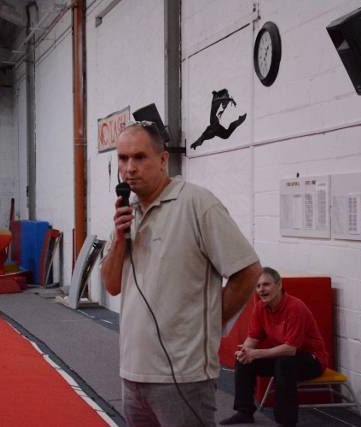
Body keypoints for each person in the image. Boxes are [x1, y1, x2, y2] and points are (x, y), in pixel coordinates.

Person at [101, 121, 262, 427]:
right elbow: (111, 285)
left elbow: (248, 269)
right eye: (123, 158)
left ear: (163, 159)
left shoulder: (197, 203)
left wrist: (210, 324)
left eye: (139, 157)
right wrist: (120, 238)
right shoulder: (127, 213)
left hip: (184, 376)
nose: (129, 168)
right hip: (133, 373)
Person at [219, 267, 328, 427]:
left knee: (284, 363)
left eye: (266, 285)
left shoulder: (295, 308)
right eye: (258, 286)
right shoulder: (260, 308)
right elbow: (253, 338)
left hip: (311, 360)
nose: (261, 290)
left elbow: (290, 349)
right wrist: (245, 352)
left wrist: (255, 353)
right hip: (283, 356)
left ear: (278, 285)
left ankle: (286, 422)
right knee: (244, 360)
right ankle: (244, 412)